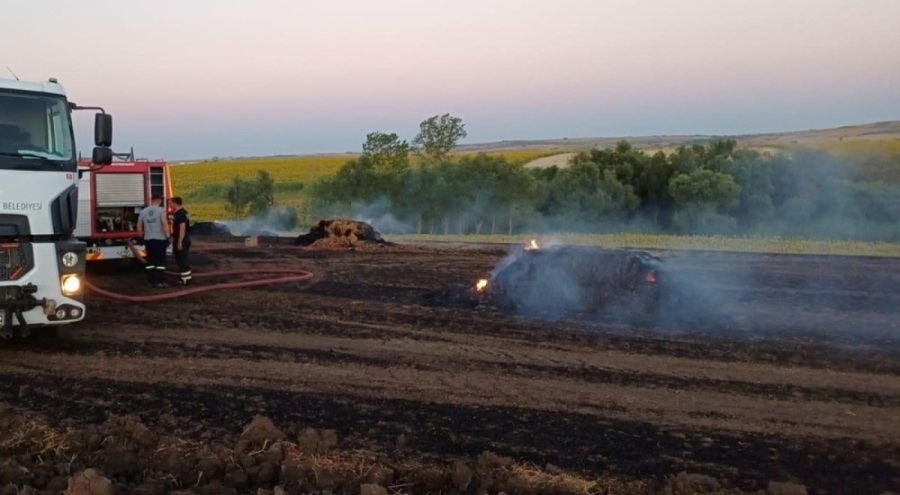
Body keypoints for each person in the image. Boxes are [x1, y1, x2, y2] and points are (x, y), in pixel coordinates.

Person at [136, 194, 170, 288]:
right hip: (160, 239)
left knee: (150, 261)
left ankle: (150, 282)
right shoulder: (161, 210)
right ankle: (160, 282)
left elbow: (139, 225)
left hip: (148, 239)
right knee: (160, 261)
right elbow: (164, 223)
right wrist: (168, 236)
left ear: (152, 200)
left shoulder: (143, 211)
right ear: (159, 200)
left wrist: (140, 237)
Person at [169, 196, 192, 285]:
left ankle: (186, 280)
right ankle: (185, 278)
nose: (169, 205)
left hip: (181, 239)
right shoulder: (181, 213)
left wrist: (179, 242)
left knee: (182, 259)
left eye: (170, 203)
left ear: (175, 203)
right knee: (180, 259)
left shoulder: (181, 214)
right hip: (182, 238)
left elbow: (182, 228)